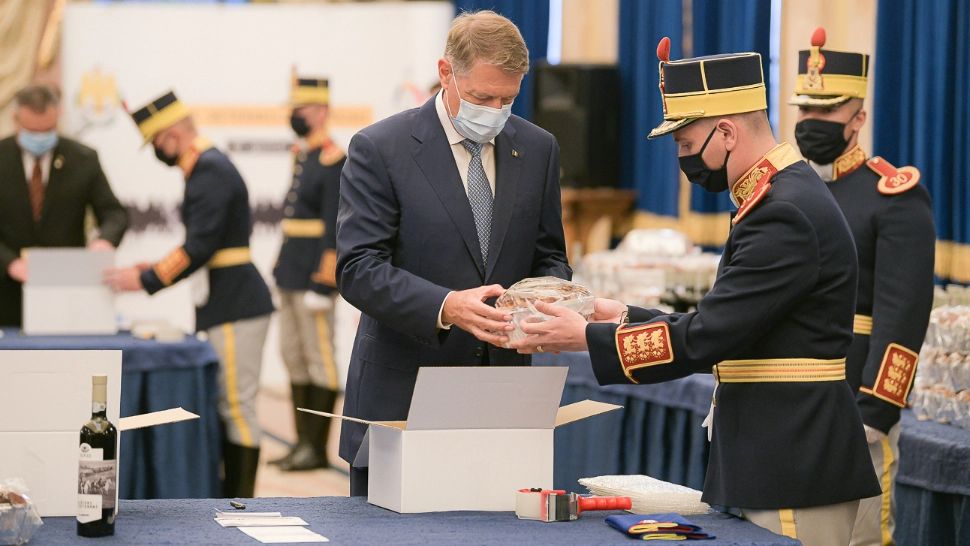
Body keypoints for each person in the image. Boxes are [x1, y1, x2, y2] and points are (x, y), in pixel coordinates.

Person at [511, 40, 881, 546]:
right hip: (778, 454)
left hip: (794, 459)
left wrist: (589, 337)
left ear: (726, 132)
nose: (684, 160)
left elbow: (709, 337)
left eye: (686, 145)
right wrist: (620, 313)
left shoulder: (783, 211)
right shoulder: (775, 196)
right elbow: (728, 321)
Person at [336, 10, 571, 496]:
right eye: (483, 97)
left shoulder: (538, 148)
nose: (496, 110)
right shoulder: (381, 148)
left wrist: (547, 304)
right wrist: (446, 306)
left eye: (508, 99)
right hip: (403, 398)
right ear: (446, 73)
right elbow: (358, 269)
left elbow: (550, 257)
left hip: (504, 400)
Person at [789, 27, 935, 546]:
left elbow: (905, 310)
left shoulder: (892, 196)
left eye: (826, 112)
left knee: (860, 534)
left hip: (857, 390)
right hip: (791, 395)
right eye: (804, 111)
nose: (812, 123)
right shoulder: (788, 189)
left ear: (859, 118)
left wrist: (877, 406)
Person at [104, 91, 274, 498]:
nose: (157, 152)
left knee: (237, 406)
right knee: (230, 404)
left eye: (157, 142)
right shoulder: (205, 167)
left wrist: (148, 281)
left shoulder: (208, 169)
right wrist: (151, 270)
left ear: (172, 134)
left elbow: (200, 246)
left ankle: (240, 502)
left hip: (236, 302)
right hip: (224, 301)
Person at [0, 83, 128, 327]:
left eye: (47, 130)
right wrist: (10, 263)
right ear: (16, 120)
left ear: (58, 118)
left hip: (65, 294)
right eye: (31, 131)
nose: (39, 138)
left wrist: (104, 240)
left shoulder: (83, 159)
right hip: (6, 293)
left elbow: (114, 214)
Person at [269, 74, 344, 472]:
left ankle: (316, 448)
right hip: (291, 270)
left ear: (321, 111)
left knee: (320, 359)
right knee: (292, 355)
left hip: (315, 274)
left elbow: (335, 225)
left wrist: (325, 279)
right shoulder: (302, 153)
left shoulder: (334, 157)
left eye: (301, 109)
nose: (294, 115)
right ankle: (300, 444)